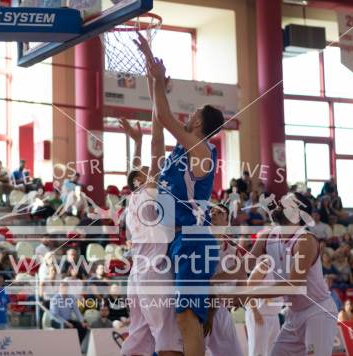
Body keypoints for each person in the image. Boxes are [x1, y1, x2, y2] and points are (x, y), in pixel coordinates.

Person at [136, 33, 225, 356]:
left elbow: (165, 117)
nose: (188, 115)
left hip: (193, 238)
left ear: (199, 120)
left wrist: (159, 80)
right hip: (176, 239)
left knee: (188, 320)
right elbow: (158, 130)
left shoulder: (202, 150)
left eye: (194, 113)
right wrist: (152, 81)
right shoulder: (182, 151)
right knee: (183, 319)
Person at [119, 52, 183, 356]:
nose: (148, 169)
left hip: (137, 275)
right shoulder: (149, 191)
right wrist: (157, 87)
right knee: (167, 340)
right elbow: (159, 140)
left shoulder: (133, 198)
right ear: (141, 179)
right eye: (144, 171)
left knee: (137, 341)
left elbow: (134, 169)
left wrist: (136, 142)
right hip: (154, 272)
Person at [248, 192, 338, 356]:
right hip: (294, 314)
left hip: (318, 311)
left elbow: (293, 285)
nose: (279, 203)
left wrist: (247, 293)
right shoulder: (267, 236)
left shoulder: (305, 240)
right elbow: (243, 266)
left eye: (285, 202)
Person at [205, 204, 245, 356]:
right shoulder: (198, 245)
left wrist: (239, 296)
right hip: (200, 306)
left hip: (221, 309)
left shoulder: (233, 251)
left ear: (226, 222)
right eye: (211, 211)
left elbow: (242, 279)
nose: (213, 214)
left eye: (219, 212)